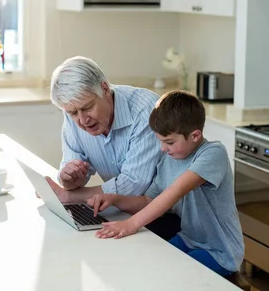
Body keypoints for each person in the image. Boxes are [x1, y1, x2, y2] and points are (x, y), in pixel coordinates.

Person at [86, 90, 245, 277]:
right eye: (160, 141)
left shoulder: (212, 153)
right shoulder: (168, 160)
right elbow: (148, 200)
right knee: (148, 266)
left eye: (169, 142)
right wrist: (114, 199)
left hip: (220, 252)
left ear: (195, 135)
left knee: (167, 275)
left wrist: (131, 224)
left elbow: (174, 193)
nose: (162, 148)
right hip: (189, 240)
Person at [46, 56, 180, 240]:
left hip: (169, 218)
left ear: (105, 88)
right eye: (73, 113)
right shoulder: (74, 114)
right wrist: (69, 179)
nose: (82, 120)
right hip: (124, 214)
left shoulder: (145, 109)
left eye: (88, 107)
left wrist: (69, 196)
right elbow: (74, 171)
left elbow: (133, 185)